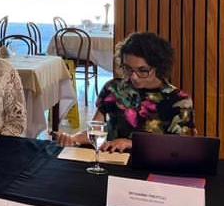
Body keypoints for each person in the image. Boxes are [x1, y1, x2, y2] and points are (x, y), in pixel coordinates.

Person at [56, 31, 194, 152]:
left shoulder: (179, 101)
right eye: (128, 69)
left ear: (159, 67)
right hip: (112, 161)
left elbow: (181, 147)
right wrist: (73, 138)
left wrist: (131, 144)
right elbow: (96, 130)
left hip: (152, 168)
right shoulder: (113, 88)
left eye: (142, 70)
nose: (133, 76)